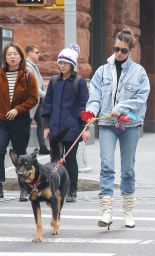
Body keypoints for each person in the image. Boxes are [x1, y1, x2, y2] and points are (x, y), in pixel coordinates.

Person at [84, 27, 150, 229]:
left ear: (131, 51)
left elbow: (141, 99)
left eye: (123, 50)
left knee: (128, 169)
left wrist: (119, 108)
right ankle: (106, 210)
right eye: (116, 48)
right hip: (106, 124)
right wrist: (91, 113)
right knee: (106, 165)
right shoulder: (102, 71)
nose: (119, 53)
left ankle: (128, 210)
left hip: (129, 124)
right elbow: (94, 97)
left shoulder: (139, 72)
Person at [42, 44, 89, 202]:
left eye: (65, 63)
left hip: (72, 129)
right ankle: (54, 188)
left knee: (70, 159)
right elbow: (47, 104)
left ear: (72, 65)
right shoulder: (54, 81)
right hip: (55, 128)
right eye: (60, 63)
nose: (62, 65)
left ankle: (72, 190)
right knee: (54, 159)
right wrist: (46, 126)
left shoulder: (79, 82)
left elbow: (84, 105)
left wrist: (84, 128)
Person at [0, 42, 38, 200]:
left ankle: (24, 187)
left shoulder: (28, 75)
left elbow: (34, 98)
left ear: (21, 56)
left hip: (20, 121)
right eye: (9, 54)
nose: (12, 57)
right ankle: (0, 186)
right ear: (5, 57)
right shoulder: (0, 74)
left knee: (21, 155)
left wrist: (17, 109)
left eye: (15, 54)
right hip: (2, 121)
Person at [25, 44, 50, 155]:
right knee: (26, 127)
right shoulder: (27, 66)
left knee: (42, 123)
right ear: (29, 53)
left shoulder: (33, 65)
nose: (39, 54)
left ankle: (43, 147)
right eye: (36, 52)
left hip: (38, 102)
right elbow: (33, 86)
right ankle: (22, 148)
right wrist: (45, 95)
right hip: (31, 102)